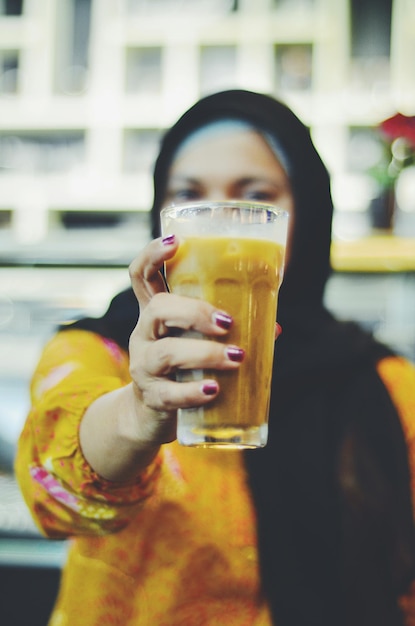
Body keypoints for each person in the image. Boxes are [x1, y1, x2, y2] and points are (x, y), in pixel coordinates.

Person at [15, 89, 415, 626]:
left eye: (256, 196)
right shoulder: (97, 352)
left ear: (310, 214)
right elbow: (53, 496)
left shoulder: (382, 381)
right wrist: (137, 414)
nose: (223, 219)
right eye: (189, 195)